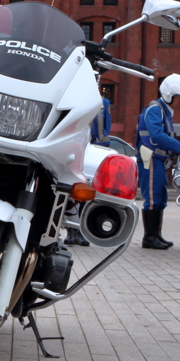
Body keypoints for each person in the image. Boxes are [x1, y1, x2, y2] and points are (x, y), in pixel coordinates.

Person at [135, 74, 180, 249]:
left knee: (160, 197)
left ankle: (156, 235)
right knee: (153, 197)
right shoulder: (155, 110)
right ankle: (149, 237)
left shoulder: (164, 112)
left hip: (158, 159)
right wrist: (179, 147)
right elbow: (156, 134)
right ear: (169, 94)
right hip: (151, 158)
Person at [67, 96, 112, 247]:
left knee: (89, 192)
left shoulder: (104, 103)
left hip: (92, 152)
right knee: (72, 190)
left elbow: (105, 129)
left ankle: (83, 231)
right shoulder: (75, 96)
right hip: (75, 149)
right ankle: (72, 231)